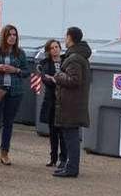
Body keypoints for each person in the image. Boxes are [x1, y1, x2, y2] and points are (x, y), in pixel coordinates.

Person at [51, 27, 91, 178]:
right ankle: (69, 166)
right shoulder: (79, 56)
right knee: (70, 136)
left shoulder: (74, 58)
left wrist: (59, 76)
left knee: (71, 137)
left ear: (70, 38)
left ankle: (72, 168)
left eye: (66, 37)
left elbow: (75, 80)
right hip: (74, 103)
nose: (64, 40)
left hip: (70, 104)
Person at [0, 24, 30, 165]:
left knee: (8, 123)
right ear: (4, 36)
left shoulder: (20, 53)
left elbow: (26, 72)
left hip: (15, 92)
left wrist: (15, 70)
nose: (12, 37)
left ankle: (4, 153)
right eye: (9, 34)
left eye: (14, 35)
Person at [38, 39, 67, 168]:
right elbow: (45, 80)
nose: (55, 49)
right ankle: (53, 158)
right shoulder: (46, 63)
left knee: (63, 133)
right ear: (48, 51)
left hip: (64, 101)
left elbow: (67, 79)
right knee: (53, 132)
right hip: (51, 101)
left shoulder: (66, 61)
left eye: (57, 47)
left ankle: (63, 159)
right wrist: (57, 79)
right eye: (52, 48)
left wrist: (54, 78)